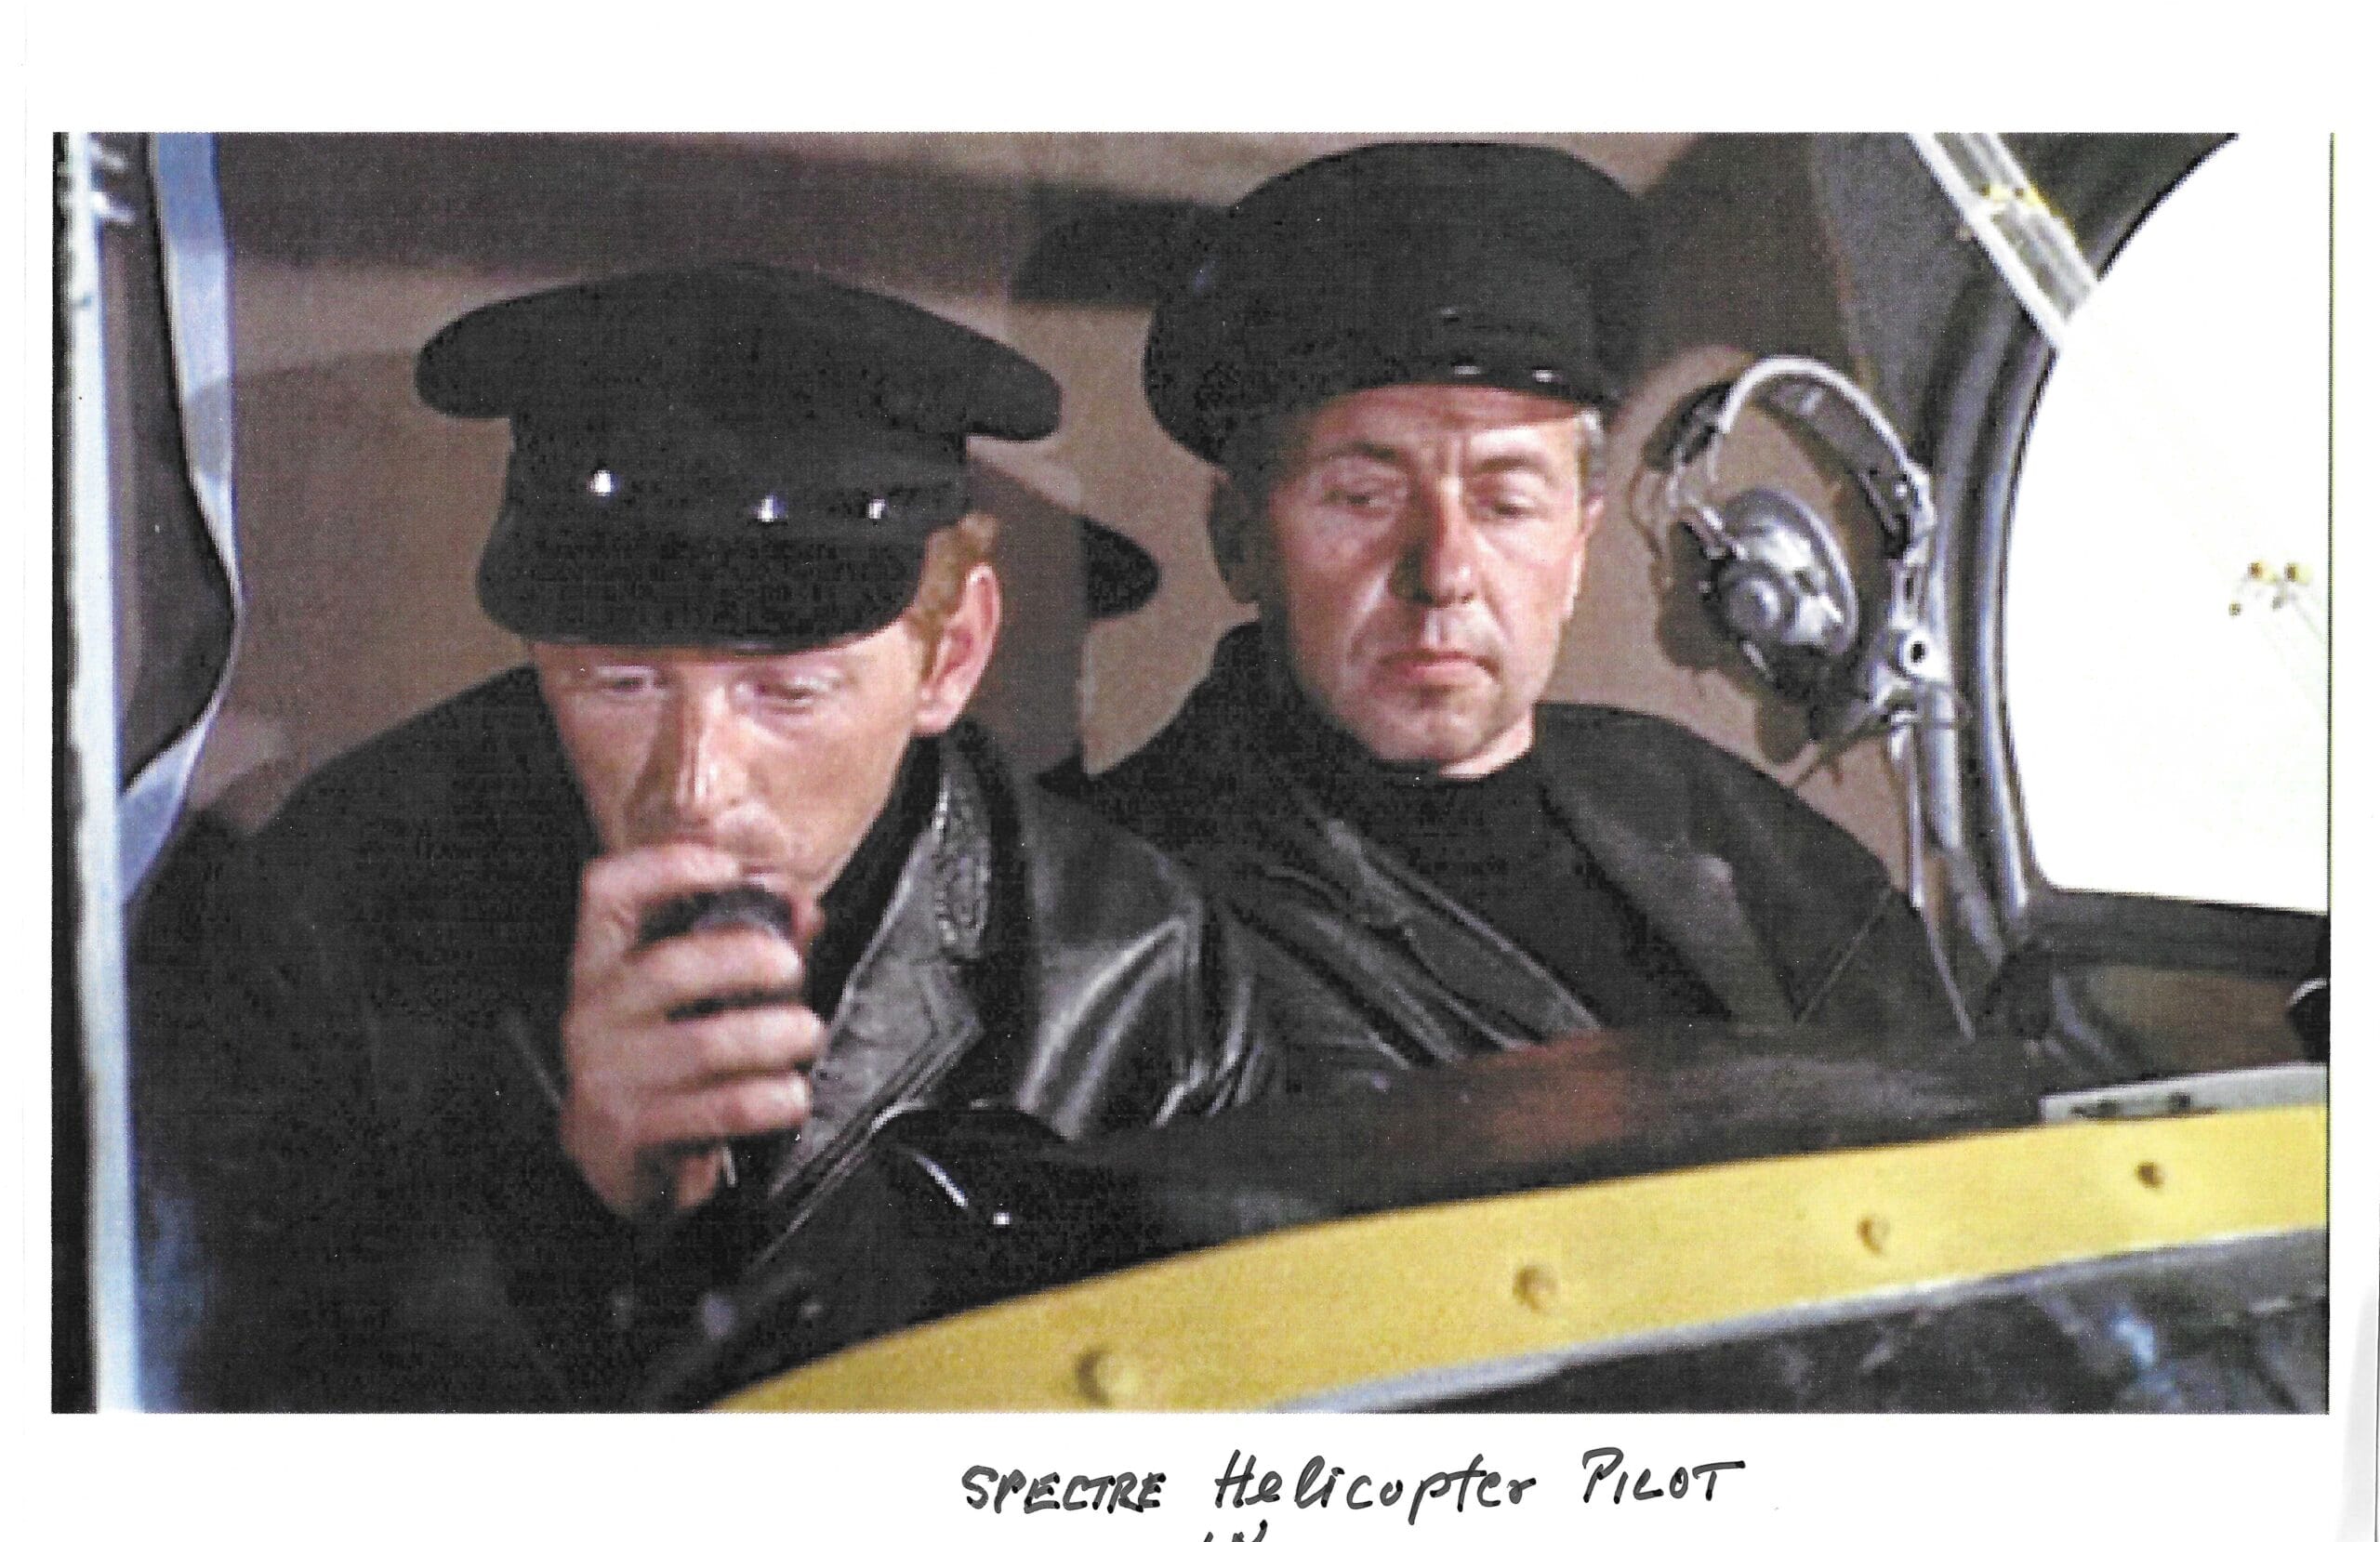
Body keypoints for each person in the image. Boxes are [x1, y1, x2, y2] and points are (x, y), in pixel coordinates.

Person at [135, 263, 1278, 1411]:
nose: (694, 787)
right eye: (619, 683)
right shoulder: (336, 906)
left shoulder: (1136, 972)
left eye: (786, 692)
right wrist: (580, 1214)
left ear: (950, 655)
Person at [1067, 141, 1959, 1081]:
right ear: (1238, 538)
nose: (1445, 571)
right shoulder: (1121, 916)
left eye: (1506, 503)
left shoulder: (1720, 823)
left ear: (1578, 543)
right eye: (1363, 498)